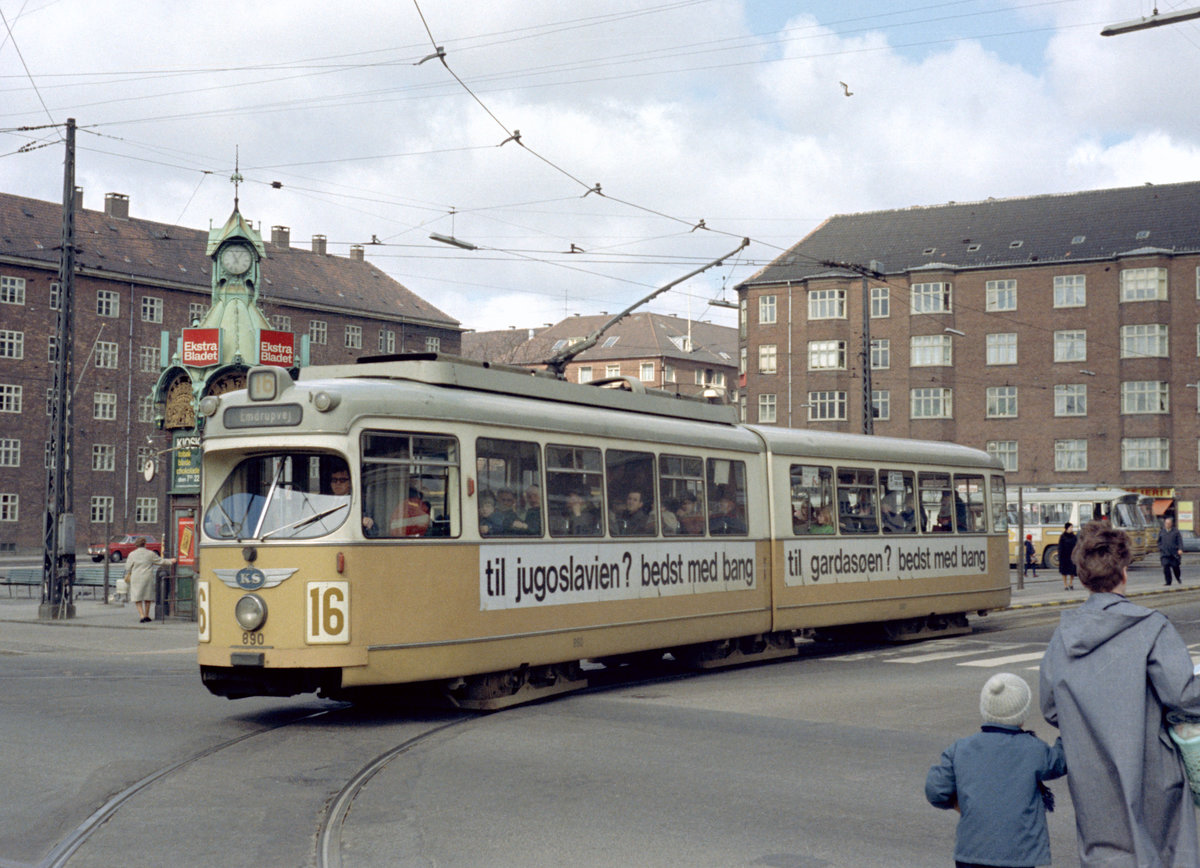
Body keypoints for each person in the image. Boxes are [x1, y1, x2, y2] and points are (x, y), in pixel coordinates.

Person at [1040, 521, 1200, 867]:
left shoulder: (1063, 637)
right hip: (1152, 772)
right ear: (1125, 572)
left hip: (1093, 775)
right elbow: (1184, 695)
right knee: (1163, 852)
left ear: (1083, 578)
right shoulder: (1151, 626)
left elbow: (1052, 708)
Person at [926, 672, 1066, 868]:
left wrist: (958, 804)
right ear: (1023, 714)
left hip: (971, 853)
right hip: (1019, 855)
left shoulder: (961, 748)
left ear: (985, 708)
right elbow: (1061, 761)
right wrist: (1069, 726)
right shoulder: (1033, 749)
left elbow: (935, 790)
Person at [124, 536, 176, 623]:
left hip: (136, 577)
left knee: (138, 597)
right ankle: (147, 615)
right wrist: (171, 561)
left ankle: (141, 615)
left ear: (136, 544)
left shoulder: (132, 554)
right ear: (145, 544)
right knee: (147, 597)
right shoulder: (150, 553)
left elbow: (127, 567)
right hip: (147, 577)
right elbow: (160, 561)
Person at [329, 468, 377, 536]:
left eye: (342, 480)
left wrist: (367, 522)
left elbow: (373, 529)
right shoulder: (324, 502)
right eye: (334, 480)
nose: (338, 483)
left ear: (350, 483)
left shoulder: (359, 501)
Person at [1159, 516, 1184, 586]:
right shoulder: (1162, 531)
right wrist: (1160, 548)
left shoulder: (1176, 532)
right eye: (1166, 523)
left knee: (1175, 567)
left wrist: (1180, 549)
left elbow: (1180, 541)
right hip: (1165, 554)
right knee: (1166, 566)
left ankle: (1178, 577)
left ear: (1171, 524)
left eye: (1168, 523)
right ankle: (1168, 582)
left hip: (1174, 554)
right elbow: (1159, 541)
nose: (1167, 524)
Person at [1057, 522, 1077, 590]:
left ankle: (1071, 583)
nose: (1072, 529)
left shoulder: (1074, 536)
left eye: (1072, 527)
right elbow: (1060, 547)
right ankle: (1065, 584)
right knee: (1064, 571)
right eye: (1070, 527)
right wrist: (1060, 556)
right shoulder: (1062, 537)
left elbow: (1076, 545)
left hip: (1072, 556)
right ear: (1066, 528)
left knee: (1072, 571)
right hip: (1064, 556)